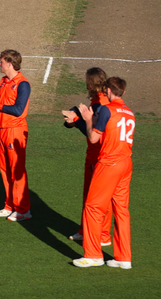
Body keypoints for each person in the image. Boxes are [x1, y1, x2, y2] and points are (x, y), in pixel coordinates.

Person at [73, 77, 135, 269]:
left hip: (109, 163)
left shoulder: (108, 109)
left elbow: (93, 138)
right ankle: (124, 258)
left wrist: (87, 120)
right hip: (126, 163)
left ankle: (93, 256)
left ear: (108, 91)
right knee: (122, 211)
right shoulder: (130, 113)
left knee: (92, 207)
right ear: (123, 92)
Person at [61, 68, 113, 245]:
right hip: (93, 155)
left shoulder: (101, 104)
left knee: (98, 198)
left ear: (91, 83)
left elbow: (94, 134)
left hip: (98, 155)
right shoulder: (98, 101)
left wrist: (76, 121)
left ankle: (103, 235)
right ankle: (85, 230)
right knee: (88, 196)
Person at [0, 50, 31, 221]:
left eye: (1, 62)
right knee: (5, 170)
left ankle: (23, 209)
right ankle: (10, 206)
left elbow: (18, 110)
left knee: (17, 171)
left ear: (10, 64)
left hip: (15, 131)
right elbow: (3, 105)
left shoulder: (23, 84)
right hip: (2, 129)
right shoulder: (3, 81)